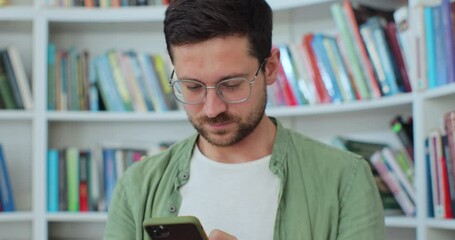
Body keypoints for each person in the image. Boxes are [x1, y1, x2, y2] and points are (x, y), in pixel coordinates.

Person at [104, 0, 385, 239]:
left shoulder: (345, 179)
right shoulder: (137, 185)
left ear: (271, 68)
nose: (212, 108)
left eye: (232, 84)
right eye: (192, 87)